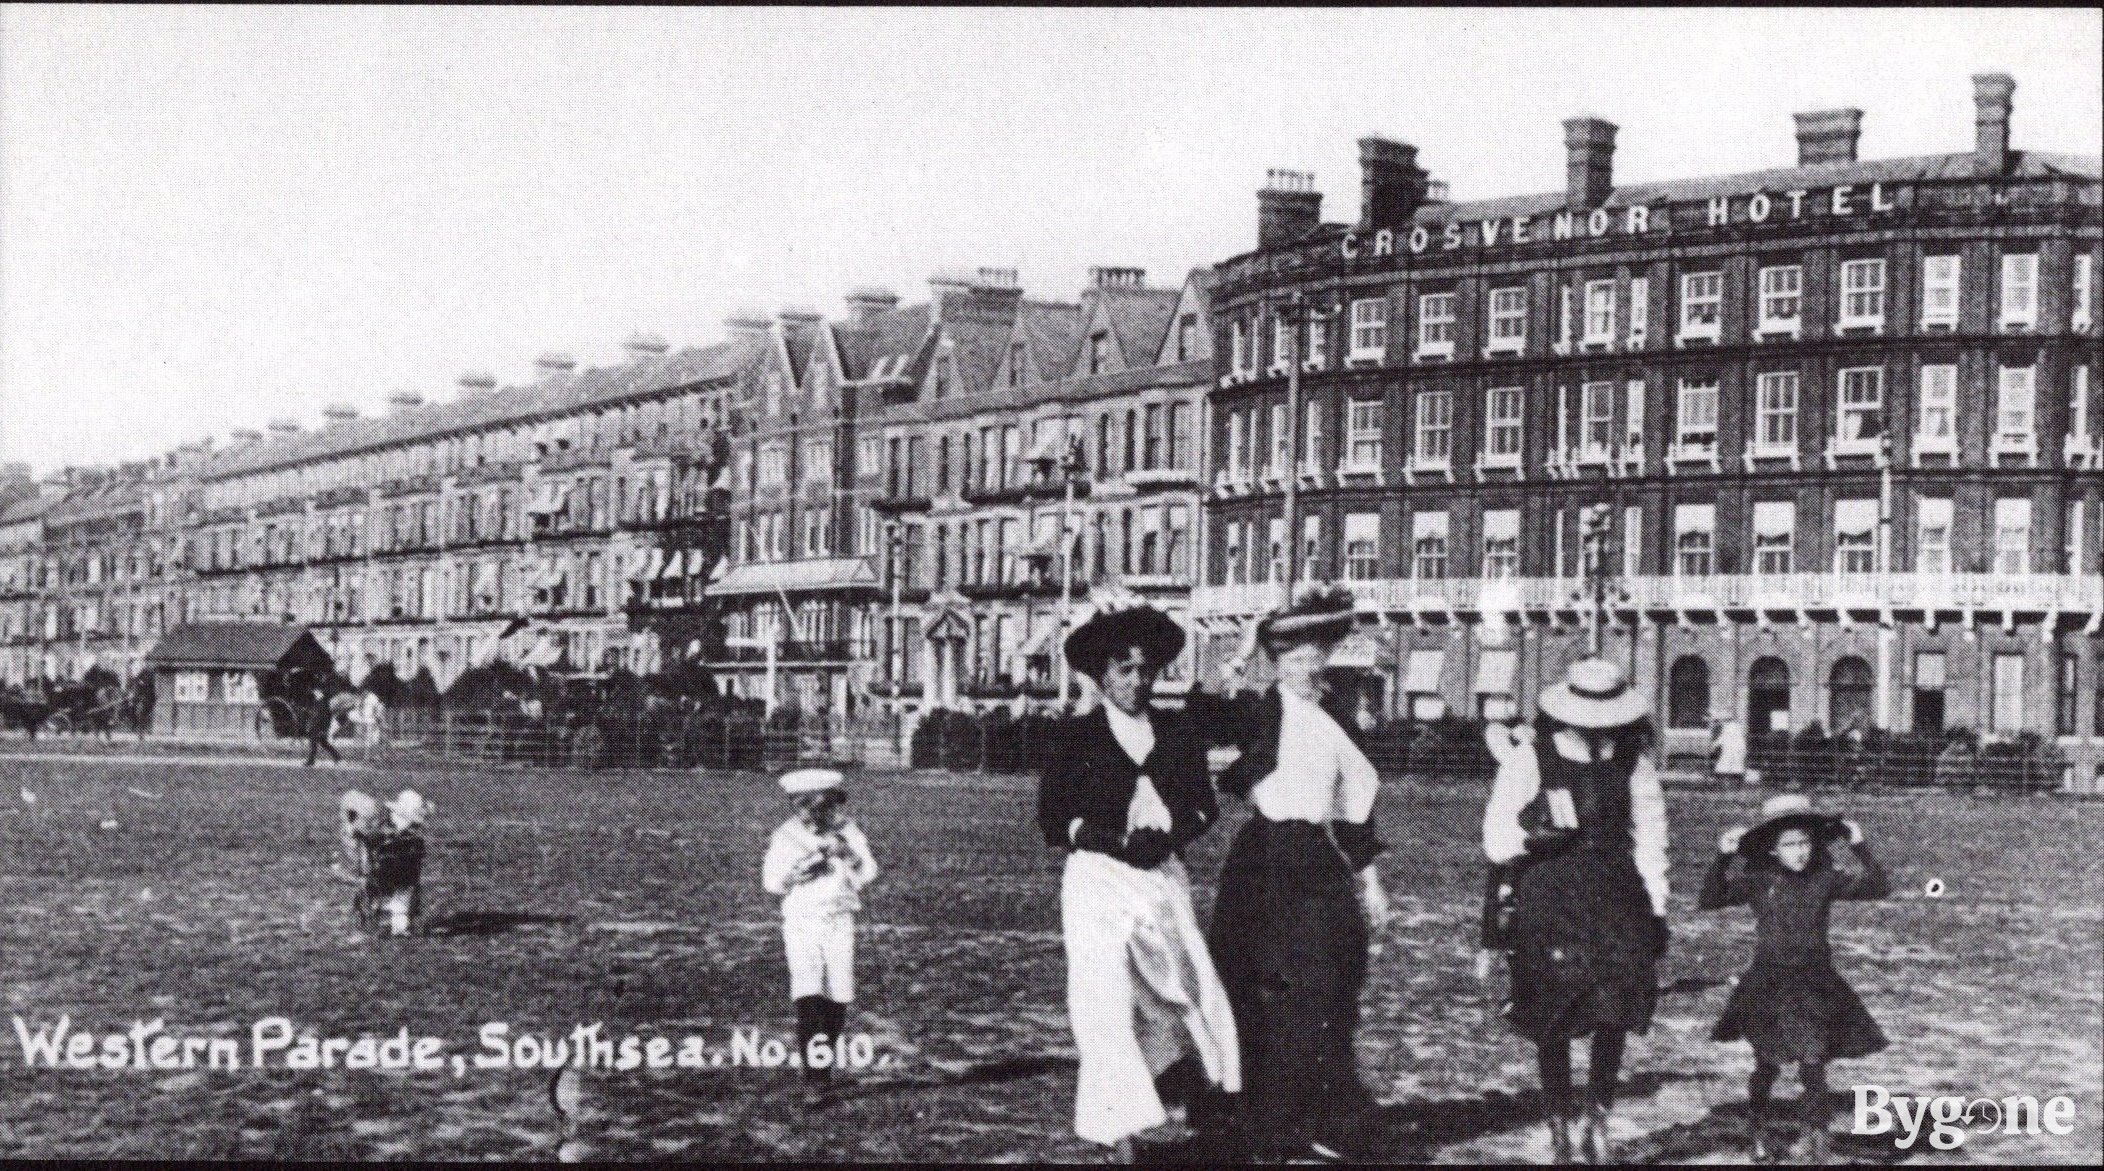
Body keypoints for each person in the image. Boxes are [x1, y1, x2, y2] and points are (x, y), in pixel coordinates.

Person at [1038, 605, 1239, 1162]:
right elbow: (1055, 818)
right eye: (1124, 670)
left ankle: (1178, 1082)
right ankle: (1119, 1130)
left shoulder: (1177, 731)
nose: (1136, 681)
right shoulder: (1076, 737)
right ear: (1101, 676)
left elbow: (1205, 806)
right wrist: (1108, 839)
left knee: (1174, 986)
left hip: (1159, 880)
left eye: (1144, 670)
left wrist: (1171, 834)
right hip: (1098, 881)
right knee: (1103, 998)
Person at [1208, 586, 1391, 1163]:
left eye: (1314, 656)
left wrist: (1370, 878)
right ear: (1278, 665)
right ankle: (1266, 1126)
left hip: (1318, 859)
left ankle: (1319, 1117)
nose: (1307, 667)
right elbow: (1211, 713)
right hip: (1265, 861)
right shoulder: (1263, 710)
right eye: (1293, 658)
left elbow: (1355, 802)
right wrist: (1235, 664)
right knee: (1268, 992)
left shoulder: (1335, 719)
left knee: (1331, 985)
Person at [1482, 657, 1669, 1164]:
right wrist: (1533, 833)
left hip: (1618, 895)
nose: (1594, 729)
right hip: (1551, 896)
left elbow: (1651, 840)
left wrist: (1656, 907)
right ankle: (1559, 1123)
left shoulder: (1634, 763)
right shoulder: (1530, 759)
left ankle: (1598, 1119)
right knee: (1554, 1012)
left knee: (1614, 1006)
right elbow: (1497, 838)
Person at [1701, 793, 1891, 1163]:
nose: (1800, 851)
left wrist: (1860, 845)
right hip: (1768, 986)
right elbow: (1711, 899)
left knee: (1814, 1063)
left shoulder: (1825, 878)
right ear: (1772, 850)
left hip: (1815, 985)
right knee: (1768, 1063)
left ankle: (1815, 1144)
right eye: (1789, 844)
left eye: (1805, 841)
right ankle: (1757, 1127)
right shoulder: (1759, 880)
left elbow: (1878, 887)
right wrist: (1722, 857)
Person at [761, 767, 879, 1106]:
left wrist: (848, 854)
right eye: (802, 806)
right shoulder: (785, 836)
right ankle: (815, 1079)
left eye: (818, 805)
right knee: (808, 990)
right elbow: (771, 882)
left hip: (840, 919)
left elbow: (869, 871)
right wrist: (795, 874)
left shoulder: (847, 831)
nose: (810, 813)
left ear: (830, 803)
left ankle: (822, 1067)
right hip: (801, 920)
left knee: (838, 995)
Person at [359, 789, 429, 937]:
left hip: (398, 873)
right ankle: (392, 918)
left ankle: (396, 919)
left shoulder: (408, 835)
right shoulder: (387, 831)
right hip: (387, 872)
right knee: (391, 893)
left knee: (400, 893)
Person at [1712, 716, 1748, 786]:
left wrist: (1713, 746)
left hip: (1730, 751)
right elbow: (1743, 745)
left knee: (1727, 766)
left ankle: (1727, 782)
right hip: (1733, 751)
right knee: (1733, 766)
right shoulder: (1738, 732)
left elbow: (1720, 740)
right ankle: (1734, 782)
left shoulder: (1727, 731)